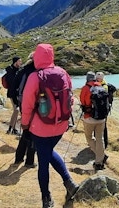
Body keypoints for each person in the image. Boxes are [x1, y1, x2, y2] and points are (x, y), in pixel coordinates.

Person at [21, 43, 79, 208]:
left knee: (43, 162)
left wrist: (25, 125)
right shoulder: (63, 73)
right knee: (47, 152)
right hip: (61, 125)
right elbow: (71, 98)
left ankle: (47, 199)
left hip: (40, 128)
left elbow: (27, 105)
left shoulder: (35, 76)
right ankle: (69, 183)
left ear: (37, 57)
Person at [12, 53, 37, 167]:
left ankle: (19, 157)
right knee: (33, 132)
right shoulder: (36, 71)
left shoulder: (23, 70)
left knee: (26, 131)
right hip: (33, 104)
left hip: (23, 103)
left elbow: (14, 86)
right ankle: (29, 161)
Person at [79, 72, 107, 170]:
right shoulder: (101, 87)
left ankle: (101, 156)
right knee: (100, 138)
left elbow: (82, 101)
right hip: (102, 118)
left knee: (89, 137)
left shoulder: (85, 88)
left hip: (89, 118)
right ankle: (99, 160)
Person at [95, 71, 116, 149]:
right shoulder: (103, 84)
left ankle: (104, 143)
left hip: (103, 109)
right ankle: (101, 143)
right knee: (101, 125)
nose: (97, 79)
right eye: (97, 78)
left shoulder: (104, 86)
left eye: (98, 78)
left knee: (102, 126)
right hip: (103, 108)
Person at [5, 56, 23, 134]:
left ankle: (13, 129)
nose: (21, 63)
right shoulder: (10, 71)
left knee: (16, 110)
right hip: (12, 94)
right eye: (19, 61)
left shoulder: (18, 70)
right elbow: (12, 84)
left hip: (16, 93)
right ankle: (10, 129)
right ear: (15, 62)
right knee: (16, 110)